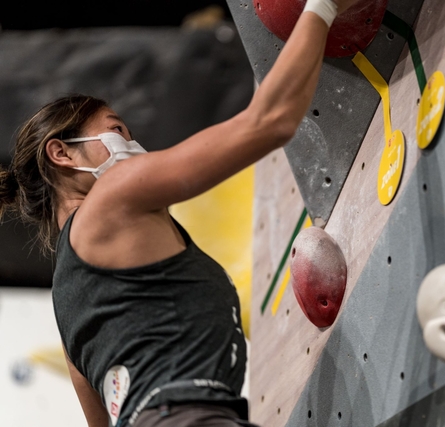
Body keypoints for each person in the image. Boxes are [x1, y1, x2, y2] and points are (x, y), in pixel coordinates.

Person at [0, 0, 358, 425]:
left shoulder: (69, 307)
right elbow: (271, 121)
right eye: (116, 130)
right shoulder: (114, 194)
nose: (132, 146)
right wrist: (323, 8)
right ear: (60, 153)